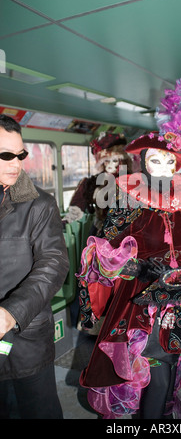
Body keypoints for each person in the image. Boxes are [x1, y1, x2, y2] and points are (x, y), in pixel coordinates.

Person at [76, 79, 181, 419]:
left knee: (169, 371)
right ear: (144, 162)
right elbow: (106, 247)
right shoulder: (127, 197)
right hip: (141, 301)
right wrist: (128, 264)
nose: (162, 169)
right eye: (155, 161)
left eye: (168, 162)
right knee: (153, 373)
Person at [0, 114, 69, 419]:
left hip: (25, 341)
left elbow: (53, 264)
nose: (16, 163)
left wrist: (10, 313)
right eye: (6, 155)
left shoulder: (39, 204)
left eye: (21, 154)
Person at [64, 132, 132, 235]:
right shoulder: (93, 182)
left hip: (125, 232)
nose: (109, 164)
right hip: (99, 230)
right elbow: (78, 206)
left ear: (122, 161)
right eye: (106, 161)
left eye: (114, 160)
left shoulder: (131, 182)